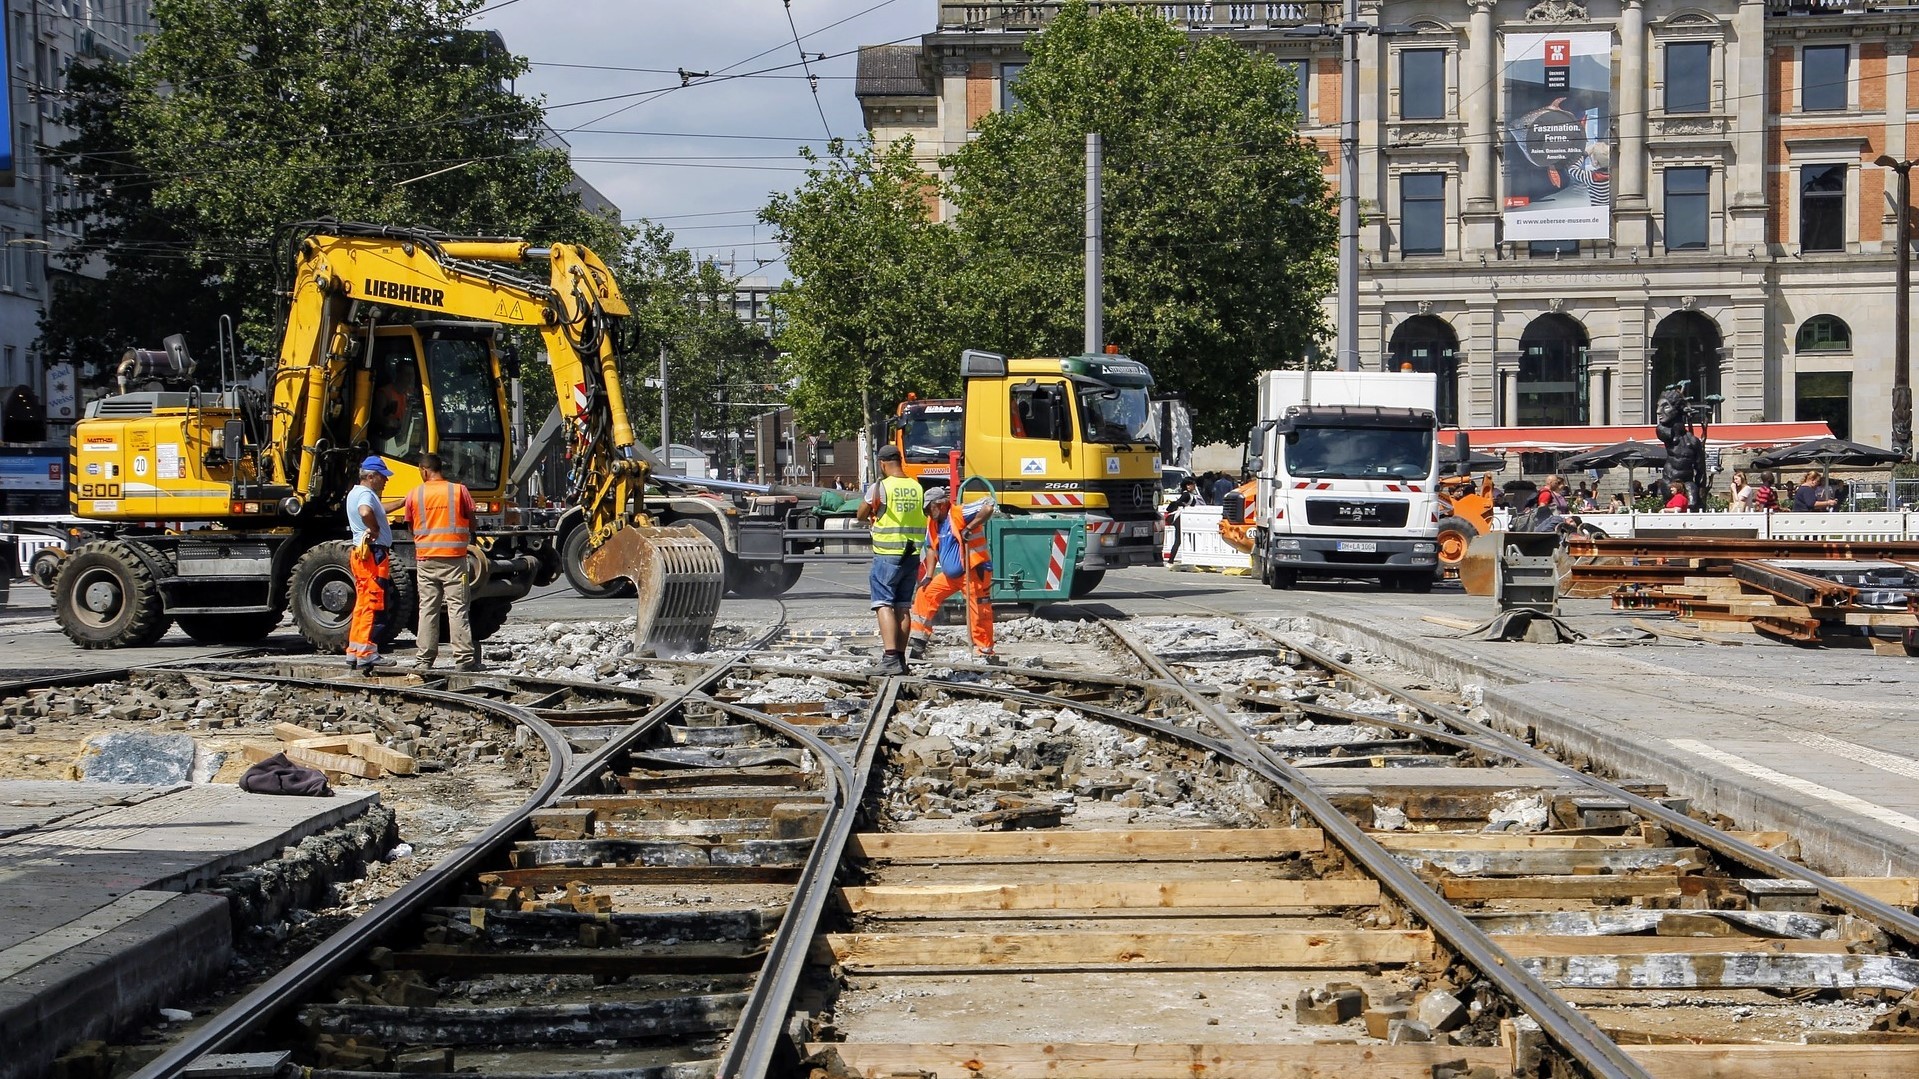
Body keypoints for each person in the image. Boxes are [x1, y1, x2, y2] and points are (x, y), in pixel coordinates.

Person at [402, 452, 480, 672]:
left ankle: (424, 660)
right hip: (454, 560)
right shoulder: (458, 491)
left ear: (424, 470)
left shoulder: (414, 494)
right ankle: (464, 660)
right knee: (458, 608)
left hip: (426, 560)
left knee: (427, 609)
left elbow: (411, 526)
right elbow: (472, 522)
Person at [907, 485, 1000, 663]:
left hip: (973, 572)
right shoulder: (932, 522)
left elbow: (988, 507)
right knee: (925, 593)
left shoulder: (959, 513)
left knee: (978, 612)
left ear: (941, 504)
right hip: (952, 577)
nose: (926, 511)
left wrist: (970, 527)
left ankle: (985, 651)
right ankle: (919, 641)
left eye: (929, 507)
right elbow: (931, 549)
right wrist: (929, 575)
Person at [857, 445, 926, 675]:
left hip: (888, 554)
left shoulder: (881, 487)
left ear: (882, 464)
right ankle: (900, 660)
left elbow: (861, 513)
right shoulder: (917, 487)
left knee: (883, 603)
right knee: (903, 606)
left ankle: (889, 658)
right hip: (912, 554)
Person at [345, 456, 396, 672]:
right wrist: (375, 529)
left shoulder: (355, 493)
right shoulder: (366, 494)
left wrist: (402, 503)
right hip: (374, 554)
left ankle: (355, 652)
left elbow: (375, 510)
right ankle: (368, 653)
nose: (386, 481)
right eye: (383, 477)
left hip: (362, 553)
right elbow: (366, 512)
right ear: (371, 476)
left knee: (363, 603)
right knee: (374, 604)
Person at [1165, 476, 1201, 565]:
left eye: (1191, 484)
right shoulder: (1186, 494)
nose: (1189, 486)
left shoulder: (1191, 495)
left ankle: (1173, 560)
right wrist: (1185, 505)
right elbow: (1178, 502)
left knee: (1184, 539)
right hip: (1180, 518)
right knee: (1180, 540)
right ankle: (1171, 560)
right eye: (1187, 485)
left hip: (1184, 518)